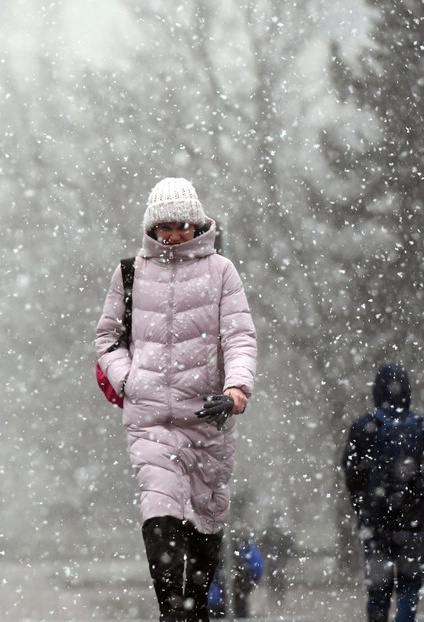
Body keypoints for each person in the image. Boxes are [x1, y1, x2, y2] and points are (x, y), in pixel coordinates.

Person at [95, 177, 257, 622]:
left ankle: (196, 606)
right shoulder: (130, 273)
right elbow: (107, 338)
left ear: (197, 222)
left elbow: (239, 337)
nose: (173, 234)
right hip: (151, 420)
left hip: (207, 418)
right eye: (164, 225)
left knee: (206, 521)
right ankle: (171, 610)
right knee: (160, 509)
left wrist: (236, 390)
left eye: (182, 224)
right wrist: (130, 380)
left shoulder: (222, 271)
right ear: (151, 226)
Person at [342, 363, 424, 622]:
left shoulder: (362, 427)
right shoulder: (422, 426)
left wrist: (365, 507)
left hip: (376, 523)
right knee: (409, 588)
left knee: (378, 592)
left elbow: (352, 477)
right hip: (413, 523)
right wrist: (423, 507)